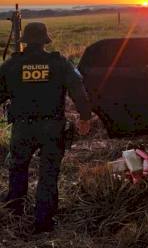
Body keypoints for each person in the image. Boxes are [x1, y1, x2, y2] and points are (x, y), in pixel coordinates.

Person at [0, 22, 91, 234]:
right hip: (52, 128)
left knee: (18, 168)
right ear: (45, 41)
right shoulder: (59, 63)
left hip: (22, 128)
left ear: (24, 41)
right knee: (49, 174)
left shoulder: (11, 65)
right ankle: (43, 224)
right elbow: (79, 92)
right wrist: (85, 117)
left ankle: (14, 212)